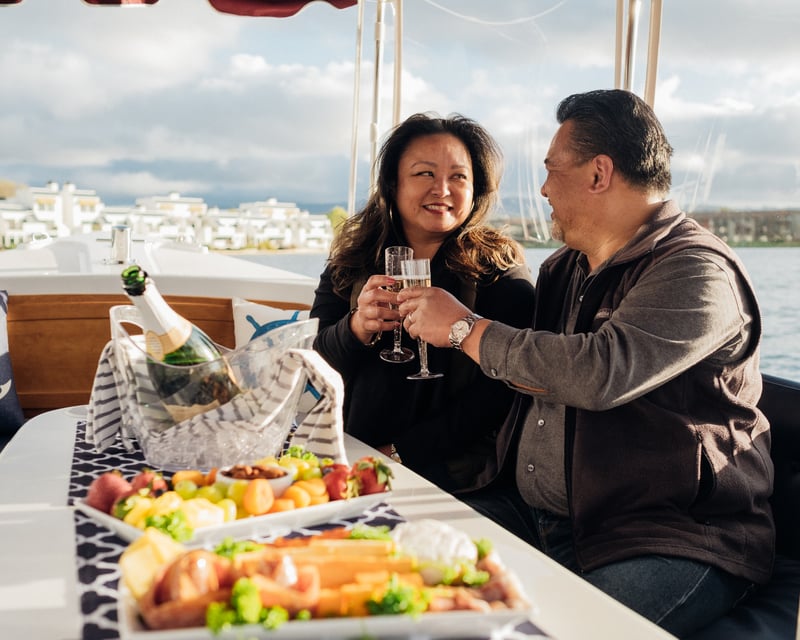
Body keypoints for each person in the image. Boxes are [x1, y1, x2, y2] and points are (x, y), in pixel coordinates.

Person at [397, 90, 774, 637]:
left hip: (666, 535)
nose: (544, 189)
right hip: (536, 517)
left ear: (599, 173)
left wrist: (463, 328)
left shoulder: (698, 271)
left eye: (551, 170)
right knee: (388, 569)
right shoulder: (563, 270)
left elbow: (597, 373)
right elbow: (537, 371)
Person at [310, 112, 535, 491]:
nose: (442, 189)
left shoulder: (498, 271)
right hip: (352, 461)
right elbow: (315, 363)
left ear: (476, 189)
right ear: (393, 183)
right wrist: (355, 328)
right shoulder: (352, 263)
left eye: (458, 177)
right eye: (425, 173)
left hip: (460, 481)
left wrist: (398, 454)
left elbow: (499, 396)